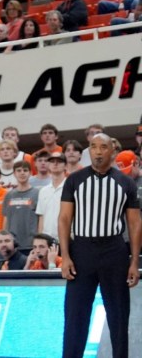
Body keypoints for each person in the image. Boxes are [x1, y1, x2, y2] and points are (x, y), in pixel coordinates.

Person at [59, 133, 140, 358]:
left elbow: (134, 223)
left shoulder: (126, 182)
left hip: (114, 251)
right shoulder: (75, 180)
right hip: (82, 250)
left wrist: (134, 261)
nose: (97, 151)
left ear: (112, 151)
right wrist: (65, 256)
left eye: (102, 147)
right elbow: (64, 219)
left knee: (118, 316)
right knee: (75, 317)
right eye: (93, 147)